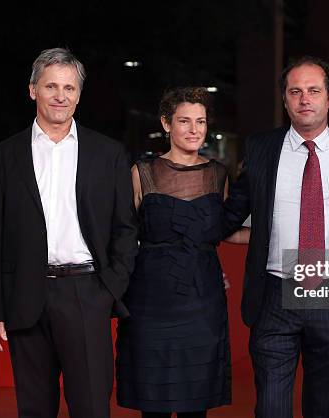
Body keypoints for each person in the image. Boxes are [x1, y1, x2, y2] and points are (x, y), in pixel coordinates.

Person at [0, 47, 138, 418]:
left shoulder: (107, 153)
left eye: (69, 87)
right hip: (24, 296)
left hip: (87, 293)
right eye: (51, 86)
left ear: (79, 94)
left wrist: (108, 289)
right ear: (33, 90)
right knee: (33, 409)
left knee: (92, 408)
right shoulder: (3, 156)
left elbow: (125, 230)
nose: (61, 96)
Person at [223, 56, 329, 418]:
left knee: (326, 406)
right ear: (285, 99)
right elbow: (233, 211)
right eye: (295, 91)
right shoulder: (261, 149)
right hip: (274, 293)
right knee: (271, 406)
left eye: (314, 91)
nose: (304, 99)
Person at [115, 87, 247, 418]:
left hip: (202, 299)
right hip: (150, 300)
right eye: (184, 121)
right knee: (153, 402)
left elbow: (223, 231)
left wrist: (280, 237)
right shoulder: (141, 173)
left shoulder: (218, 174)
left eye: (200, 121)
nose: (194, 130)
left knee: (195, 403)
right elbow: (123, 235)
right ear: (166, 124)